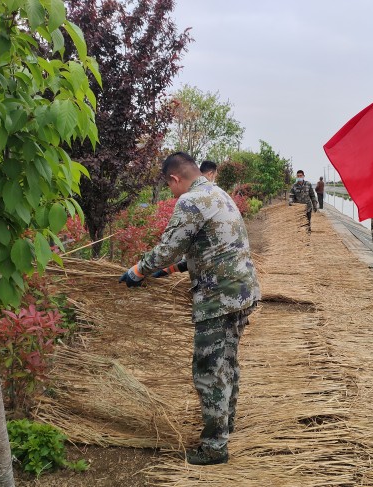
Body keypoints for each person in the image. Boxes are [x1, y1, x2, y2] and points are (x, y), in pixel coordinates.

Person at [119, 152, 261, 465]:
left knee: (208, 370)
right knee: (227, 362)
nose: (171, 194)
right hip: (242, 292)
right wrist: (172, 270)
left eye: (169, 187)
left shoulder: (190, 200)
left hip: (218, 298)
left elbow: (167, 248)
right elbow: (214, 242)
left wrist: (138, 271)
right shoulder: (216, 192)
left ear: (174, 178)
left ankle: (214, 447)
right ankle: (226, 423)